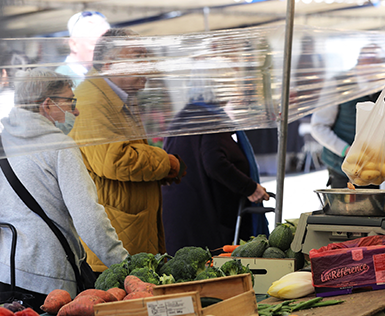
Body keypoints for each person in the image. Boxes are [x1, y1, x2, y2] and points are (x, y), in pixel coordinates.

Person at [0, 68, 128, 307]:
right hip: (52, 282)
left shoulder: (2, 142)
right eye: (70, 101)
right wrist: (124, 265)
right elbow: (89, 217)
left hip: (7, 278)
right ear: (47, 105)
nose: (76, 110)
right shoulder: (60, 146)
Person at [68, 28, 184, 272]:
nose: (147, 65)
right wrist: (165, 162)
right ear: (110, 63)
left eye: (146, 56)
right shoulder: (92, 99)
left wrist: (158, 172)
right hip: (114, 239)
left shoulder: (116, 96)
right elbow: (115, 160)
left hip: (130, 227)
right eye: (138, 57)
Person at [161, 83, 271, 255]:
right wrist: (250, 188)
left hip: (180, 218)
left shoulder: (184, 116)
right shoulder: (211, 119)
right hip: (203, 221)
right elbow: (214, 162)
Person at [310, 44, 385, 188]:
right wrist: (346, 150)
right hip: (341, 168)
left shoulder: (383, 86)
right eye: (375, 63)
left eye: (381, 63)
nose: (379, 68)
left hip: (373, 169)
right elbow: (318, 127)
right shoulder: (338, 84)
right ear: (361, 62)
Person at [56, 11, 111, 87]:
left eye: (108, 45)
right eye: (96, 44)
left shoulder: (102, 75)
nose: (104, 50)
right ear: (73, 44)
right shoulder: (60, 81)